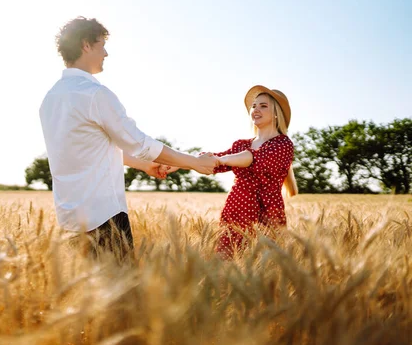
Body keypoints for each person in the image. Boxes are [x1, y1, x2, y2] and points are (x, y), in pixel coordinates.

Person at [39, 17, 220, 261]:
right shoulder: (95, 94)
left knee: (88, 295)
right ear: (86, 45)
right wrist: (194, 163)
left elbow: (92, 149)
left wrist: (144, 166)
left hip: (70, 218)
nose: (106, 53)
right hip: (104, 216)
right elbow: (141, 144)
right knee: (122, 294)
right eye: (101, 44)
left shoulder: (49, 100)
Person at [204, 86, 298, 259]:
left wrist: (223, 159)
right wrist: (178, 163)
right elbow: (212, 162)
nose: (256, 110)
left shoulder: (283, 144)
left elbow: (253, 158)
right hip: (237, 207)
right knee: (226, 259)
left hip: (267, 210)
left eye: (263, 106)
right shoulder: (240, 144)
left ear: (276, 113)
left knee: (264, 263)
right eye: (254, 106)